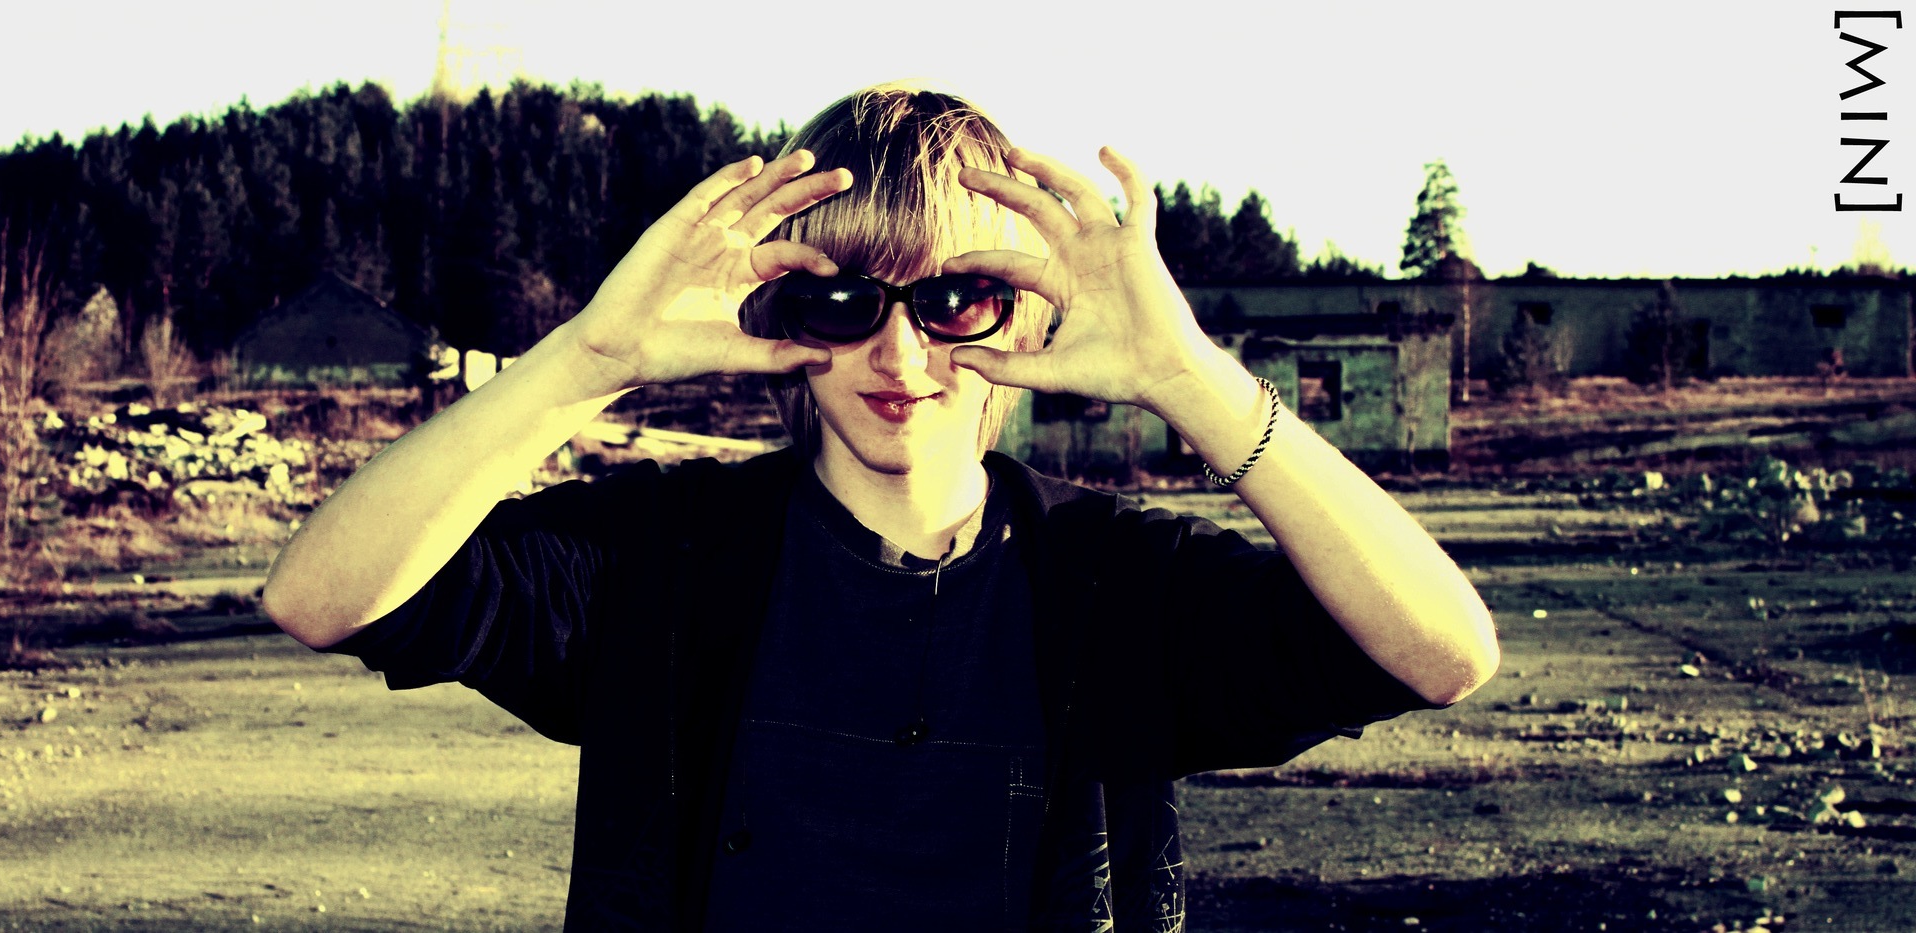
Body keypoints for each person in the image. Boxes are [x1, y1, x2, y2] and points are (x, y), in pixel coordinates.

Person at [262, 85, 1499, 931]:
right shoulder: (659, 563)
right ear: (781, 311)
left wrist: (1191, 381)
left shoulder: (1116, 585)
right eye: (844, 300)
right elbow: (320, 598)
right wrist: (589, 359)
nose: (897, 354)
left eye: (953, 299)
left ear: (1023, 311)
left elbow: (1442, 653)